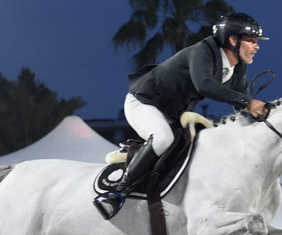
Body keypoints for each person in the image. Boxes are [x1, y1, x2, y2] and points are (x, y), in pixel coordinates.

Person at [94, 12, 270, 219]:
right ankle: (117, 193)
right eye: (251, 41)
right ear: (233, 39)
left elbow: (240, 102)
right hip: (143, 103)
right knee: (163, 138)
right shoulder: (203, 50)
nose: (256, 46)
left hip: (172, 114)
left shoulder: (238, 66)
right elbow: (204, 85)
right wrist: (248, 103)